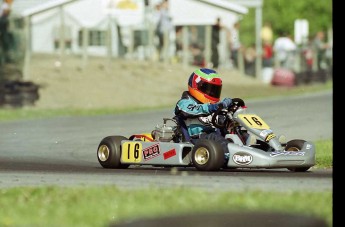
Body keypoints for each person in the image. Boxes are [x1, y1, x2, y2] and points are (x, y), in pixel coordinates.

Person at [173, 68, 233, 162]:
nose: (212, 92)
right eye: (209, 89)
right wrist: (210, 107)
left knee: (235, 133)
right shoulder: (184, 103)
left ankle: (253, 147)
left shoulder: (213, 106)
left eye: (214, 90)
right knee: (215, 137)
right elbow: (190, 110)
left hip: (213, 138)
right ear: (197, 86)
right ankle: (229, 156)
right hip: (197, 139)